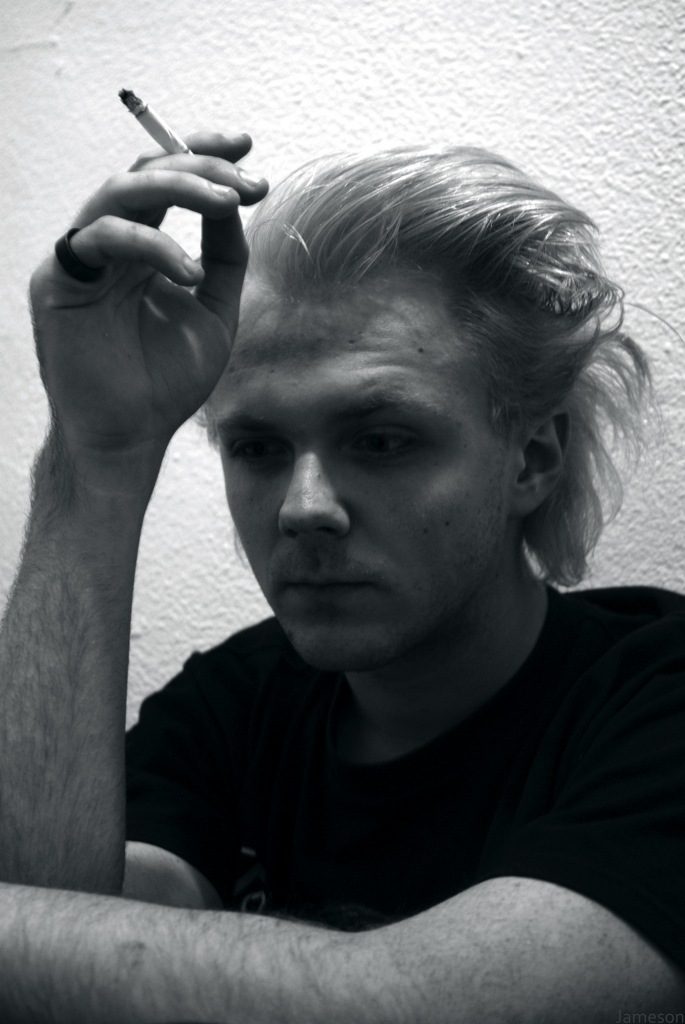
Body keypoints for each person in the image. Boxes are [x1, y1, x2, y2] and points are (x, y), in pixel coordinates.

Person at [0, 129, 683, 1023]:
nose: (303, 507)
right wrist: (98, 456)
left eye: (382, 440)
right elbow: (44, 933)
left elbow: (419, 1003)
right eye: (257, 447)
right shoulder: (231, 704)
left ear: (532, 459)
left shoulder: (656, 698)